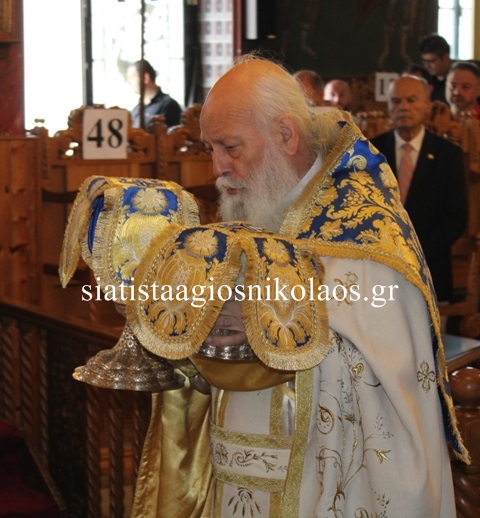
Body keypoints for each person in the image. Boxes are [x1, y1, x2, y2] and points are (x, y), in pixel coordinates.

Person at [130, 56, 468, 517]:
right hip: (236, 474)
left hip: (320, 484)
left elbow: (392, 381)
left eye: (230, 146)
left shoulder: (365, 230)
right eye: (211, 148)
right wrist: (170, 319)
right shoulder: (263, 205)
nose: (218, 167)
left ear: (286, 135)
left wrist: (267, 328)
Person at [371, 75, 467, 303]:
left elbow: (456, 219)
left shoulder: (448, 155)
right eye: (396, 101)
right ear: (389, 107)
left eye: (411, 100)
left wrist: (416, 253)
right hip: (381, 274)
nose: (403, 107)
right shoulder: (372, 151)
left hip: (431, 272)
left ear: (427, 106)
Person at [126, 59, 182, 129]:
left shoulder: (169, 106)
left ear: (145, 78)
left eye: (132, 77)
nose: (129, 82)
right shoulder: (136, 110)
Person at [419, 33, 452, 104]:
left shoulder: (458, 79)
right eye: (424, 61)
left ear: (445, 57)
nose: (426, 66)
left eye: (431, 61)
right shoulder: (426, 80)